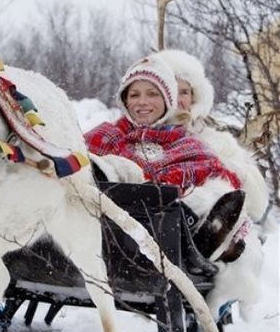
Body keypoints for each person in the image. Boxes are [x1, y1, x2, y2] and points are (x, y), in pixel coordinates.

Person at [85, 53, 247, 263]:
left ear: (167, 100)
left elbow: (222, 175)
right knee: (104, 167)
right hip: (102, 232)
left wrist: (171, 188)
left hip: (162, 243)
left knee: (201, 196)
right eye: (134, 95)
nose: (142, 102)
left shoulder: (188, 144)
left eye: (152, 94)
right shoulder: (108, 135)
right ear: (125, 101)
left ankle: (206, 237)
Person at [155, 49, 268, 320]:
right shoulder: (139, 139)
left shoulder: (216, 142)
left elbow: (255, 199)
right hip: (160, 240)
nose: (179, 99)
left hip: (192, 236)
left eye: (185, 92)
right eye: (171, 90)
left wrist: (227, 175)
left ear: (195, 98)